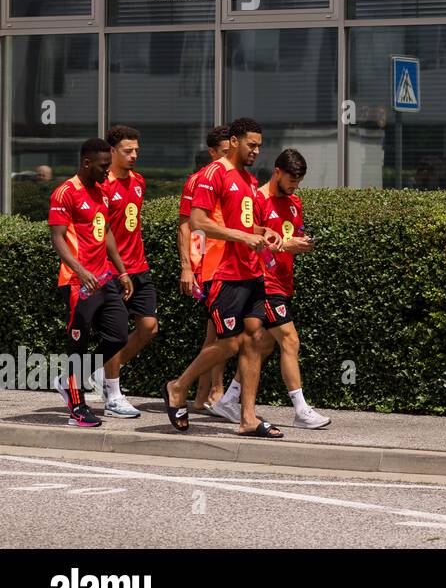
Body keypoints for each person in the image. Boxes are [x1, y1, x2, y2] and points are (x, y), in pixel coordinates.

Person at [163, 118, 282, 437]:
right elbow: (199, 222)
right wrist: (242, 238)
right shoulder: (213, 173)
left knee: (256, 339)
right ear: (233, 141)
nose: (256, 150)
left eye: (259, 145)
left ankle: (248, 417)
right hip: (223, 272)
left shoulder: (247, 178)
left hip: (251, 271)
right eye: (251, 144)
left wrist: (264, 232)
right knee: (228, 343)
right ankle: (178, 387)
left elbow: (244, 225)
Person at [208, 148, 331, 429]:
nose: (295, 186)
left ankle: (228, 399)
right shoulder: (257, 200)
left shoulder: (294, 202)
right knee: (290, 340)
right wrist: (286, 245)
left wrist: (300, 244)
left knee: (262, 344)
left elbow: (289, 238)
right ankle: (301, 409)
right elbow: (252, 242)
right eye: (291, 180)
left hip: (284, 281)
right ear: (277, 172)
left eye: (299, 181)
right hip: (264, 282)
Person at [48, 139, 134, 427]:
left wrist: (121, 271)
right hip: (77, 282)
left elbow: (106, 231)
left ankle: (71, 380)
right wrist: (81, 270)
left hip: (105, 278)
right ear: (86, 163)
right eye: (102, 166)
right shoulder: (65, 192)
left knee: (119, 335)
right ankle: (77, 407)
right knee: (77, 347)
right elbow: (57, 237)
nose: (107, 171)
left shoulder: (102, 191)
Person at [96, 125, 158, 418]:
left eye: (136, 150)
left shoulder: (139, 182)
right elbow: (102, 232)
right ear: (112, 151)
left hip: (140, 268)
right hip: (112, 271)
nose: (134, 155)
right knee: (117, 334)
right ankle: (113, 394)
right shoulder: (102, 185)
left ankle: (102, 374)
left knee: (148, 327)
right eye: (127, 151)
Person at [178, 127, 230, 413]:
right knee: (222, 334)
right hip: (207, 267)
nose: (228, 158)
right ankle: (210, 392)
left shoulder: (234, 179)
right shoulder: (198, 181)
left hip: (228, 266)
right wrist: (187, 267)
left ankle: (202, 396)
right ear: (212, 152)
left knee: (217, 333)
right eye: (224, 152)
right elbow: (186, 226)